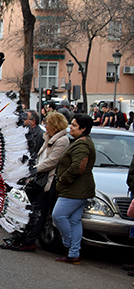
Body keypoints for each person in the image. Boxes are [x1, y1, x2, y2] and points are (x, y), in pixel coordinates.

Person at [1, 112, 70, 252]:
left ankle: (29, 241)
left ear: (54, 126)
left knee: (39, 212)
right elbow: (41, 157)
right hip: (39, 179)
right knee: (30, 209)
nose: (45, 126)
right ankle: (22, 238)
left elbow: (51, 162)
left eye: (48, 124)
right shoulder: (49, 137)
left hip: (45, 181)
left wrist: (33, 169)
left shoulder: (62, 140)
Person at [52, 114, 96, 265]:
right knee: (75, 220)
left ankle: (69, 245)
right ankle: (73, 253)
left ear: (83, 128)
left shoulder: (82, 144)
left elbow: (79, 167)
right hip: (79, 189)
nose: (70, 127)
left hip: (74, 189)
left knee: (58, 216)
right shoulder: (81, 142)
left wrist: (63, 179)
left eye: (74, 125)